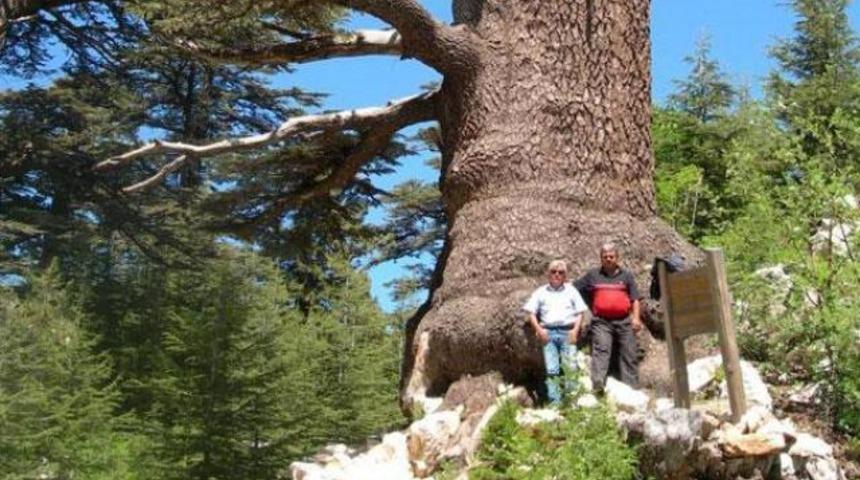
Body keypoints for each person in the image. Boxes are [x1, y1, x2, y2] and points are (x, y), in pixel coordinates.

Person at [574, 243, 642, 393]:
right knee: (601, 350)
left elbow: (635, 299)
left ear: (617, 258)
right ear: (601, 259)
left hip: (624, 320)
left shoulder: (626, 276)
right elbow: (575, 288)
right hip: (601, 322)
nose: (608, 259)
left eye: (611, 256)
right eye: (605, 257)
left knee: (629, 352)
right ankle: (598, 386)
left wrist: (636, 318)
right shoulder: (593, 275)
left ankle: (631, 389)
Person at [523, 259, 588, 406]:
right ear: (548, 274)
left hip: (567, 332)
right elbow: (530, 312)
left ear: (565, 275)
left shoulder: (571, 290)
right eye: (553, 272)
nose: (557, 275)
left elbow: (580, 312)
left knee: (570, 367)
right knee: (552, 369)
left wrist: (575, 331)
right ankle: (555, 403)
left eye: (561, 272)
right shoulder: (541, 292)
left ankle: (572, 402)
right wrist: (539, 330)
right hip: (549, 334)